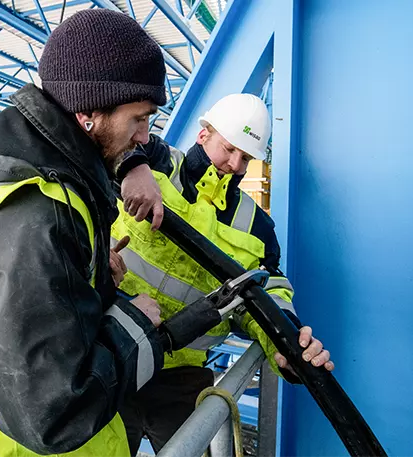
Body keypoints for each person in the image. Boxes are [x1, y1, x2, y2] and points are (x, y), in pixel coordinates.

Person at [0, 10, 209, 457]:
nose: (145, 137)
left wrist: (83, 281)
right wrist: (137, 323)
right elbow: (55, 414)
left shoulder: (48, 187)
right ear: (88, 113)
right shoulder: (31, 215)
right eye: (139, 118)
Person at [111, 93, 335, 455]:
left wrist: (286, 342)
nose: (236, 164)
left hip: (179, 372)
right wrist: (132, 167)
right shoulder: (155, 162)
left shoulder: (257, 227)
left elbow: (268, 290)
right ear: (204, 135)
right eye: (229, 149)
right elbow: (107, 143)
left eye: (246, 157)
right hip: (112, 347)